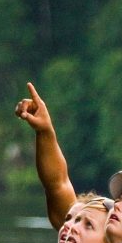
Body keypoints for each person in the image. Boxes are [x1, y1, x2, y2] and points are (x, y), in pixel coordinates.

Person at [14, 83, 77, 234]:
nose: (72, 227)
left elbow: (58, 185)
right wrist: (44, 131)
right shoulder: (72, 235)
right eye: (79, 221)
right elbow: (57, 185)